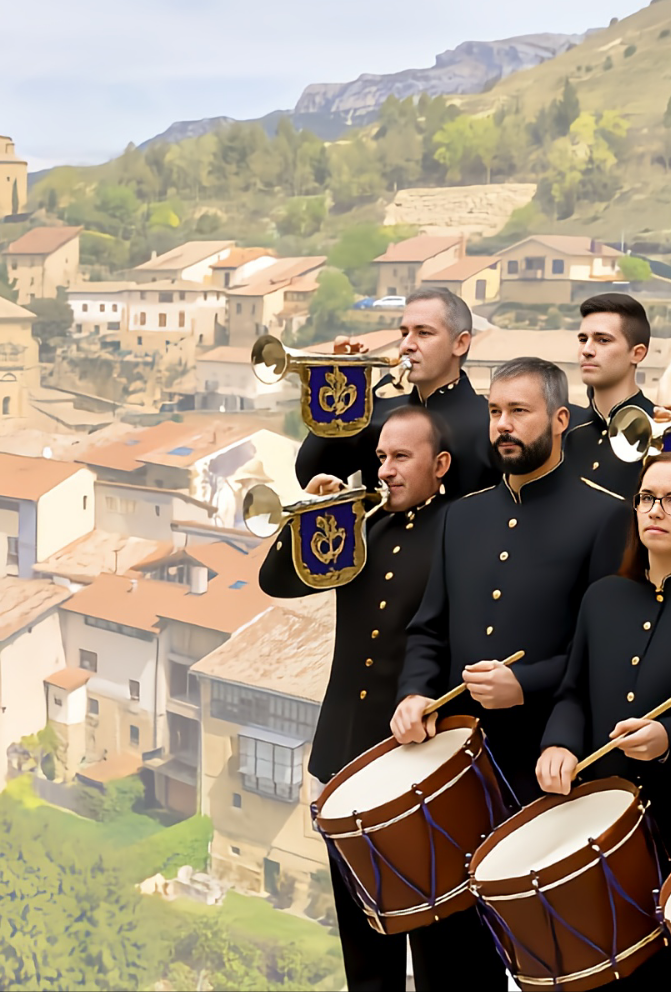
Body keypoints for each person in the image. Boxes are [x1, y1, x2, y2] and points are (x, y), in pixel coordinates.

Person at [262, 408, 500, 990]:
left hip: (419, 768)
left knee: (438, 944)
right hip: (343, 757)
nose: (385, 470)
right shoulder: (359, 526)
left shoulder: (462, 529)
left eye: (401, 458)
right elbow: (278, 580)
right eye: (381, 457)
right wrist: (311, 519)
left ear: (440, 465)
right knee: (364, 949)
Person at [393, 357, 632, 804]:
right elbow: (429, 629)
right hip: (452, 755)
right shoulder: (460, 516)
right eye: (494, 411)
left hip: (549, 758)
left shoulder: (606, 516)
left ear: (560, 419)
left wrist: (526, 683)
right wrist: (414, 693)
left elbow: (605, 652)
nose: (503, 424)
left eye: (519, 411)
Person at [537, 452, 671, 863]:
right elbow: (572, 694)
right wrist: (559, 743)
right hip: (597, 816)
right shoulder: (602, 596)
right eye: (646, 498)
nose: (655, 511)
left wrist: (669, 738)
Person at [295, 286, 494, 502]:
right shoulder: (380, 408)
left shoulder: (490, 424)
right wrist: (343, 387)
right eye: (404, 333)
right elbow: (311, 473)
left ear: (460, 343)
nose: (406, 345)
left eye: (423, 333)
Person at [561, 292, 656, 496]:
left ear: (637, 353)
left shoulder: (659, 430)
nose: (586, 350)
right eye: (582, 339)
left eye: (603, 340)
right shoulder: (565, 431)